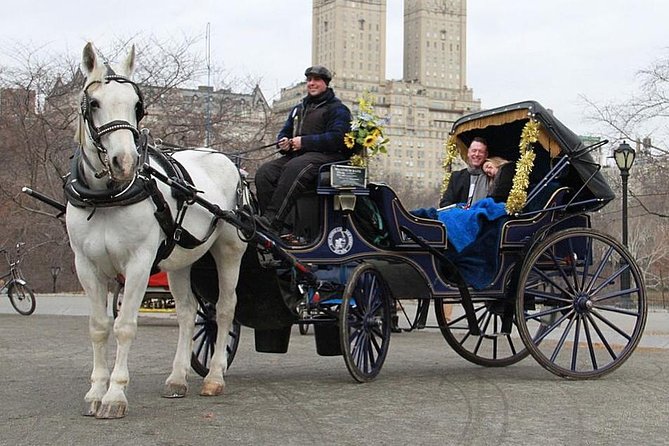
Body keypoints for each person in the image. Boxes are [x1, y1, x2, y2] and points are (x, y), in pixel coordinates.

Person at [255, 65, 352, 234]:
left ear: (326, 84)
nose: (311, 83)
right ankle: (281, 228)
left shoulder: (337, 109)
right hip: (299, 156)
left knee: (295, 167)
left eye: (316, 80)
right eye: (309, 80)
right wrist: (283, 143)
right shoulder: (298, 109)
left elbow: (338, 138)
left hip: (327, 157)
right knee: (265, 172)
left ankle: (272, 221)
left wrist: (304, 142)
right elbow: (284, 132)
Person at [439, 137, 489, 209]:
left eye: (481, 151)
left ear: (486, 155)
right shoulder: (456, 177)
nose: (477, 154)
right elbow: (445, 203)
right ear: (468, 153)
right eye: (474, 151)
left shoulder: (491, 177)